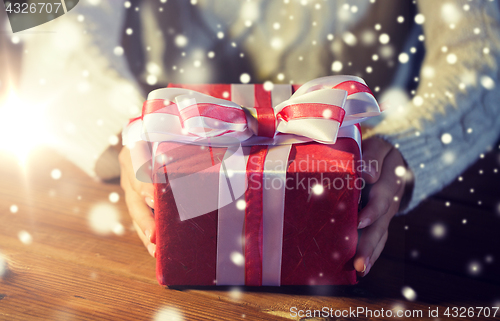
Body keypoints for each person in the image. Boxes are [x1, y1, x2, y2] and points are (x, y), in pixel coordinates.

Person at [9, 0, 500, 278]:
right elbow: (47, 20)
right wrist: (132, 131)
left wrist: (409, 145)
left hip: (359, 183)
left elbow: (485, 51)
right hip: (170, 160)